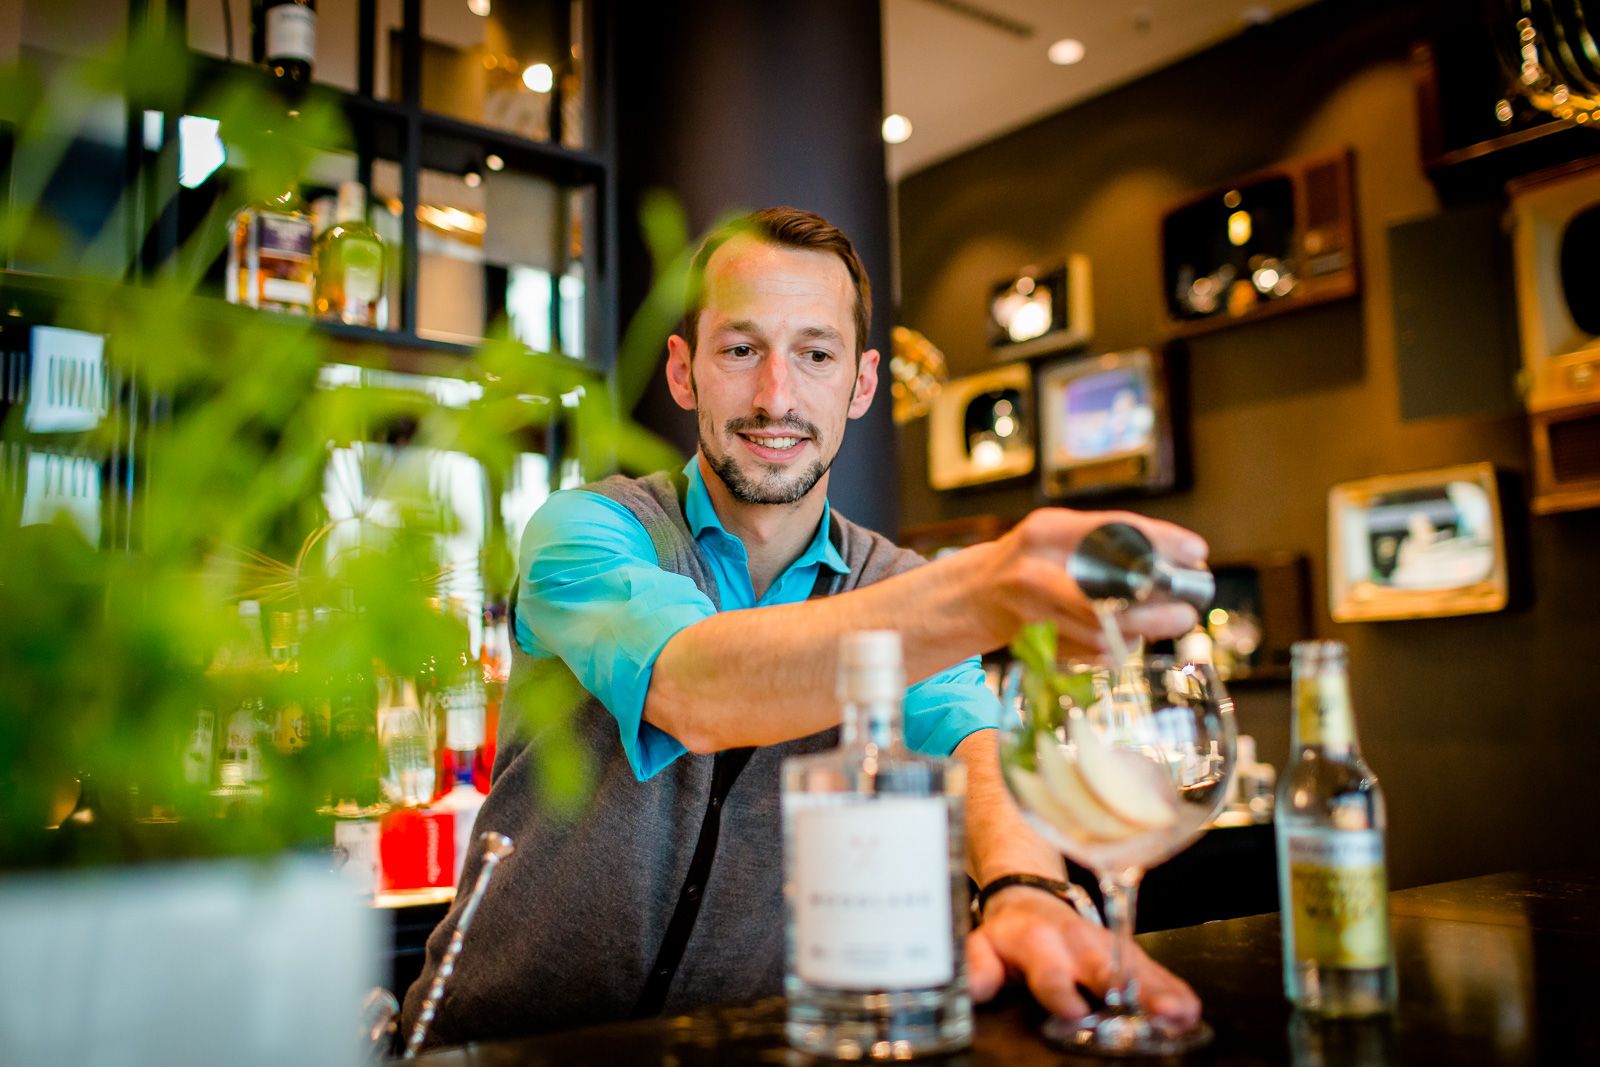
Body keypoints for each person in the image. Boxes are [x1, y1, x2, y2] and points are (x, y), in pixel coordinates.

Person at [401, 207, 1209, 1048]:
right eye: (741, 350)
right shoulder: (588, 530)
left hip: (740, 1047)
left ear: (860, 385)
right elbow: (696, 684)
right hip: (499, 1044)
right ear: (685, 372)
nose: (775, 396)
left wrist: (1025, 886)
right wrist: (992, 585)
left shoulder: (894, 584)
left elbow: (978, 748)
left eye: (815, 355)